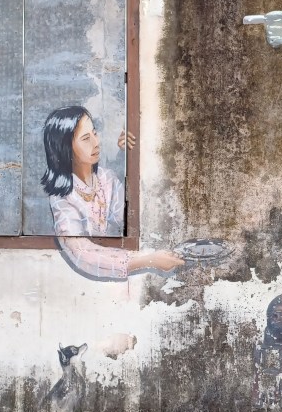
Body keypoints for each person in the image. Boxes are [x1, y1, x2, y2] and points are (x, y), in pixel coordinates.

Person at [41, 105, 184, 281]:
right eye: (86, 138)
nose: (96, 142)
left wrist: (129, 155)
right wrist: (149, 260)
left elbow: (128, 221)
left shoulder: (106, 178)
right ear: (65, 148)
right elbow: (82, 254)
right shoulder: (62, 197)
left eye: (95, 133)